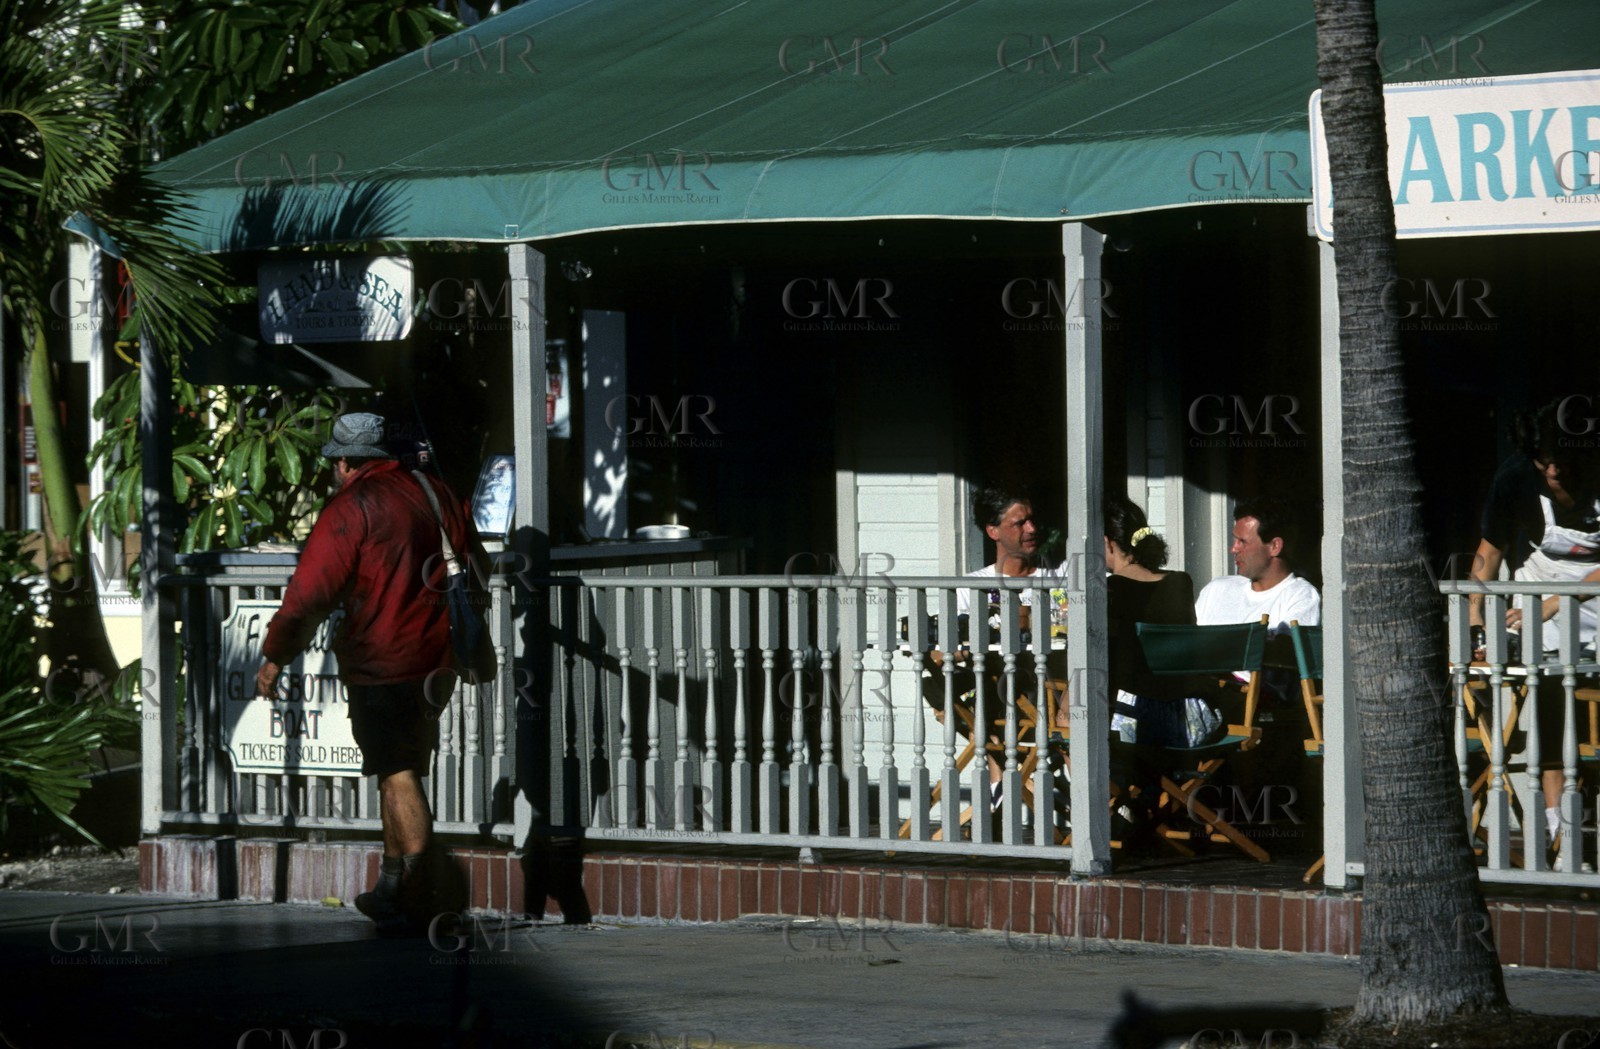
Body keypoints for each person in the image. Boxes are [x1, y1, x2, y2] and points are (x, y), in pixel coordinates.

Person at [255, 412, 476, 932]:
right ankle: (390, 888)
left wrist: (276, 654)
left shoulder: (353, 505)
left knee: (398, 772)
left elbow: (310, 592)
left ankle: (426, 897)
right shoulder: (434, 490)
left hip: (383, 659)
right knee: (399, 767)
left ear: (344, 462)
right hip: (438, 656)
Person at [1467, 400, 1600, 850]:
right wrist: (1476, 621)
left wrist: (1552, 605)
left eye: (1564, 460)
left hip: (1591, 595)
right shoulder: (1516, 478)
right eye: (1546, 461)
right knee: (1548, 701)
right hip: (1539, 591)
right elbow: (1488, 554)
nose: (1556, 470)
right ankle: (1560, 831)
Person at [1099, 496, 1210, 748]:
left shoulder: (1109, 590)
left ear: (1107, 542)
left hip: (1133, 722)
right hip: (1187, 719)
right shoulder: (1180, 582)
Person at [1194, 496, 1321, 633]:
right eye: (1235, 540)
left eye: (1242, 542)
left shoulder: (1301, 597)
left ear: (1275, 546)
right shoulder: (1216, 590)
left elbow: (1287, 645)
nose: (1233, 549)